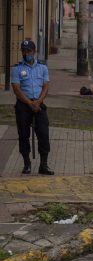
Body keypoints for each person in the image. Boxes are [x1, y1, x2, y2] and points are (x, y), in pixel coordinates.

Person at [10, 40, 54, 175]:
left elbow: (46, 86)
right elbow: (16, 89)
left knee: (43, 133)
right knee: (23, 134)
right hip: (24, 104)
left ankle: (44, 165)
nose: (26, 53)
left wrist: (39, 102)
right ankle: (27, 164)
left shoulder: (42, 67)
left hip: (39, 103)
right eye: (24, 50)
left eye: (29, 50)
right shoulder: (17, 69)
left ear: (34, 51)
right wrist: (30, 103)